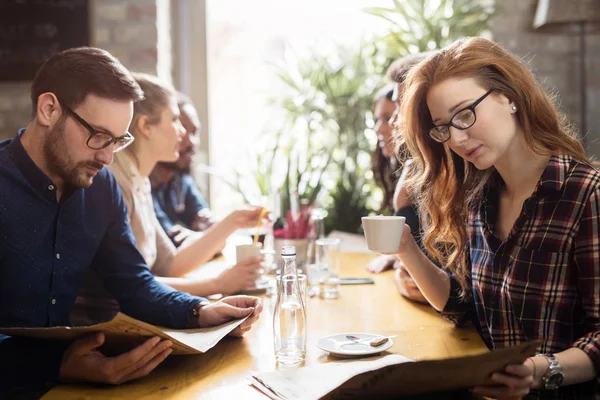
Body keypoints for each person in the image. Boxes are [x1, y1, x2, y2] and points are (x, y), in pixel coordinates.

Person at [0, 47, 262, 397]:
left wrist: (201, 312)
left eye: (118, 141)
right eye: (98, 136)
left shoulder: (101, 186)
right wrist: (55, 365)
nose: (107, 157)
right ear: (49, 109)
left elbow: (134, 283)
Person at [396, 37, 599, 398]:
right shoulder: (480, 200)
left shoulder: (585, 195)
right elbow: (465, 308)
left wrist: (538, 370)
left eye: (465, 114)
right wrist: (405, 250)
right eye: (443, 126)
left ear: (510, 97)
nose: (456, 139)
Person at [105, 73, 265, 298]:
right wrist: (218, 284)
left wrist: (235, 221)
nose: (183, 133)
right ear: (146, 127)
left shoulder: (138, 181)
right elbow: (131, 286)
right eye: (174, 120)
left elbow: (170, 265)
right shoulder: (115, 184)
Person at [366, 53, 431, 305]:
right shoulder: (412, 166)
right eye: (379, 119)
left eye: (392, 114)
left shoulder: (450, 173)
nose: (387, 125)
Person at [150, 93, 214, 246]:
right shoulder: (142, 185)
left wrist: (205, 231)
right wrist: (205, 237)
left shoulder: (181, 180)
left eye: (195, 132)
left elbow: (208, 222)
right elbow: (171, 243)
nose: (190, 142)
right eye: (182, 130)